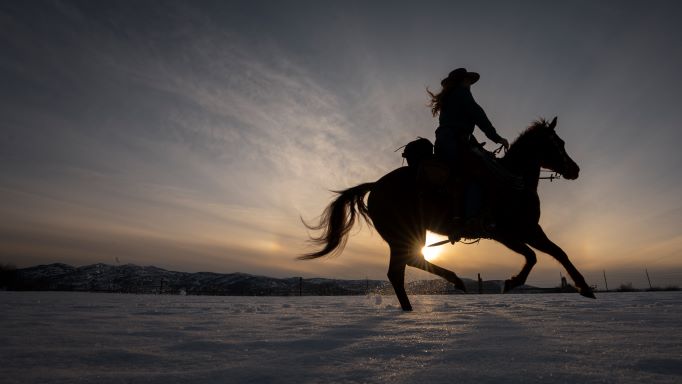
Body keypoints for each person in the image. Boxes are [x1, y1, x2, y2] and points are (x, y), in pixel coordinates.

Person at [428, 68, 514, 242]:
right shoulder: (462, 93)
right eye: (468, 81)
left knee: (460, 173)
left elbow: (459, 124)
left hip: (445, 142)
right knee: (480, 173)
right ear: (463, 81)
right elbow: (478, 115)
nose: (470, 84)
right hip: (455, 142)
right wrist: (497, 138)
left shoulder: (449, 98)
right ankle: (470, 220)